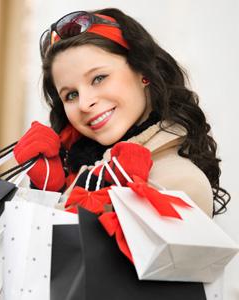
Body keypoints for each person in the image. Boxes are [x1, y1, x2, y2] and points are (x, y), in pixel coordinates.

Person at [13, 7, 230, 217]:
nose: (84, 104)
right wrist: (44, 193)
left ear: (144, 71)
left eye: (99, 78)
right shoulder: (75, 172)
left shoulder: (181, 182)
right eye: (71, 95)